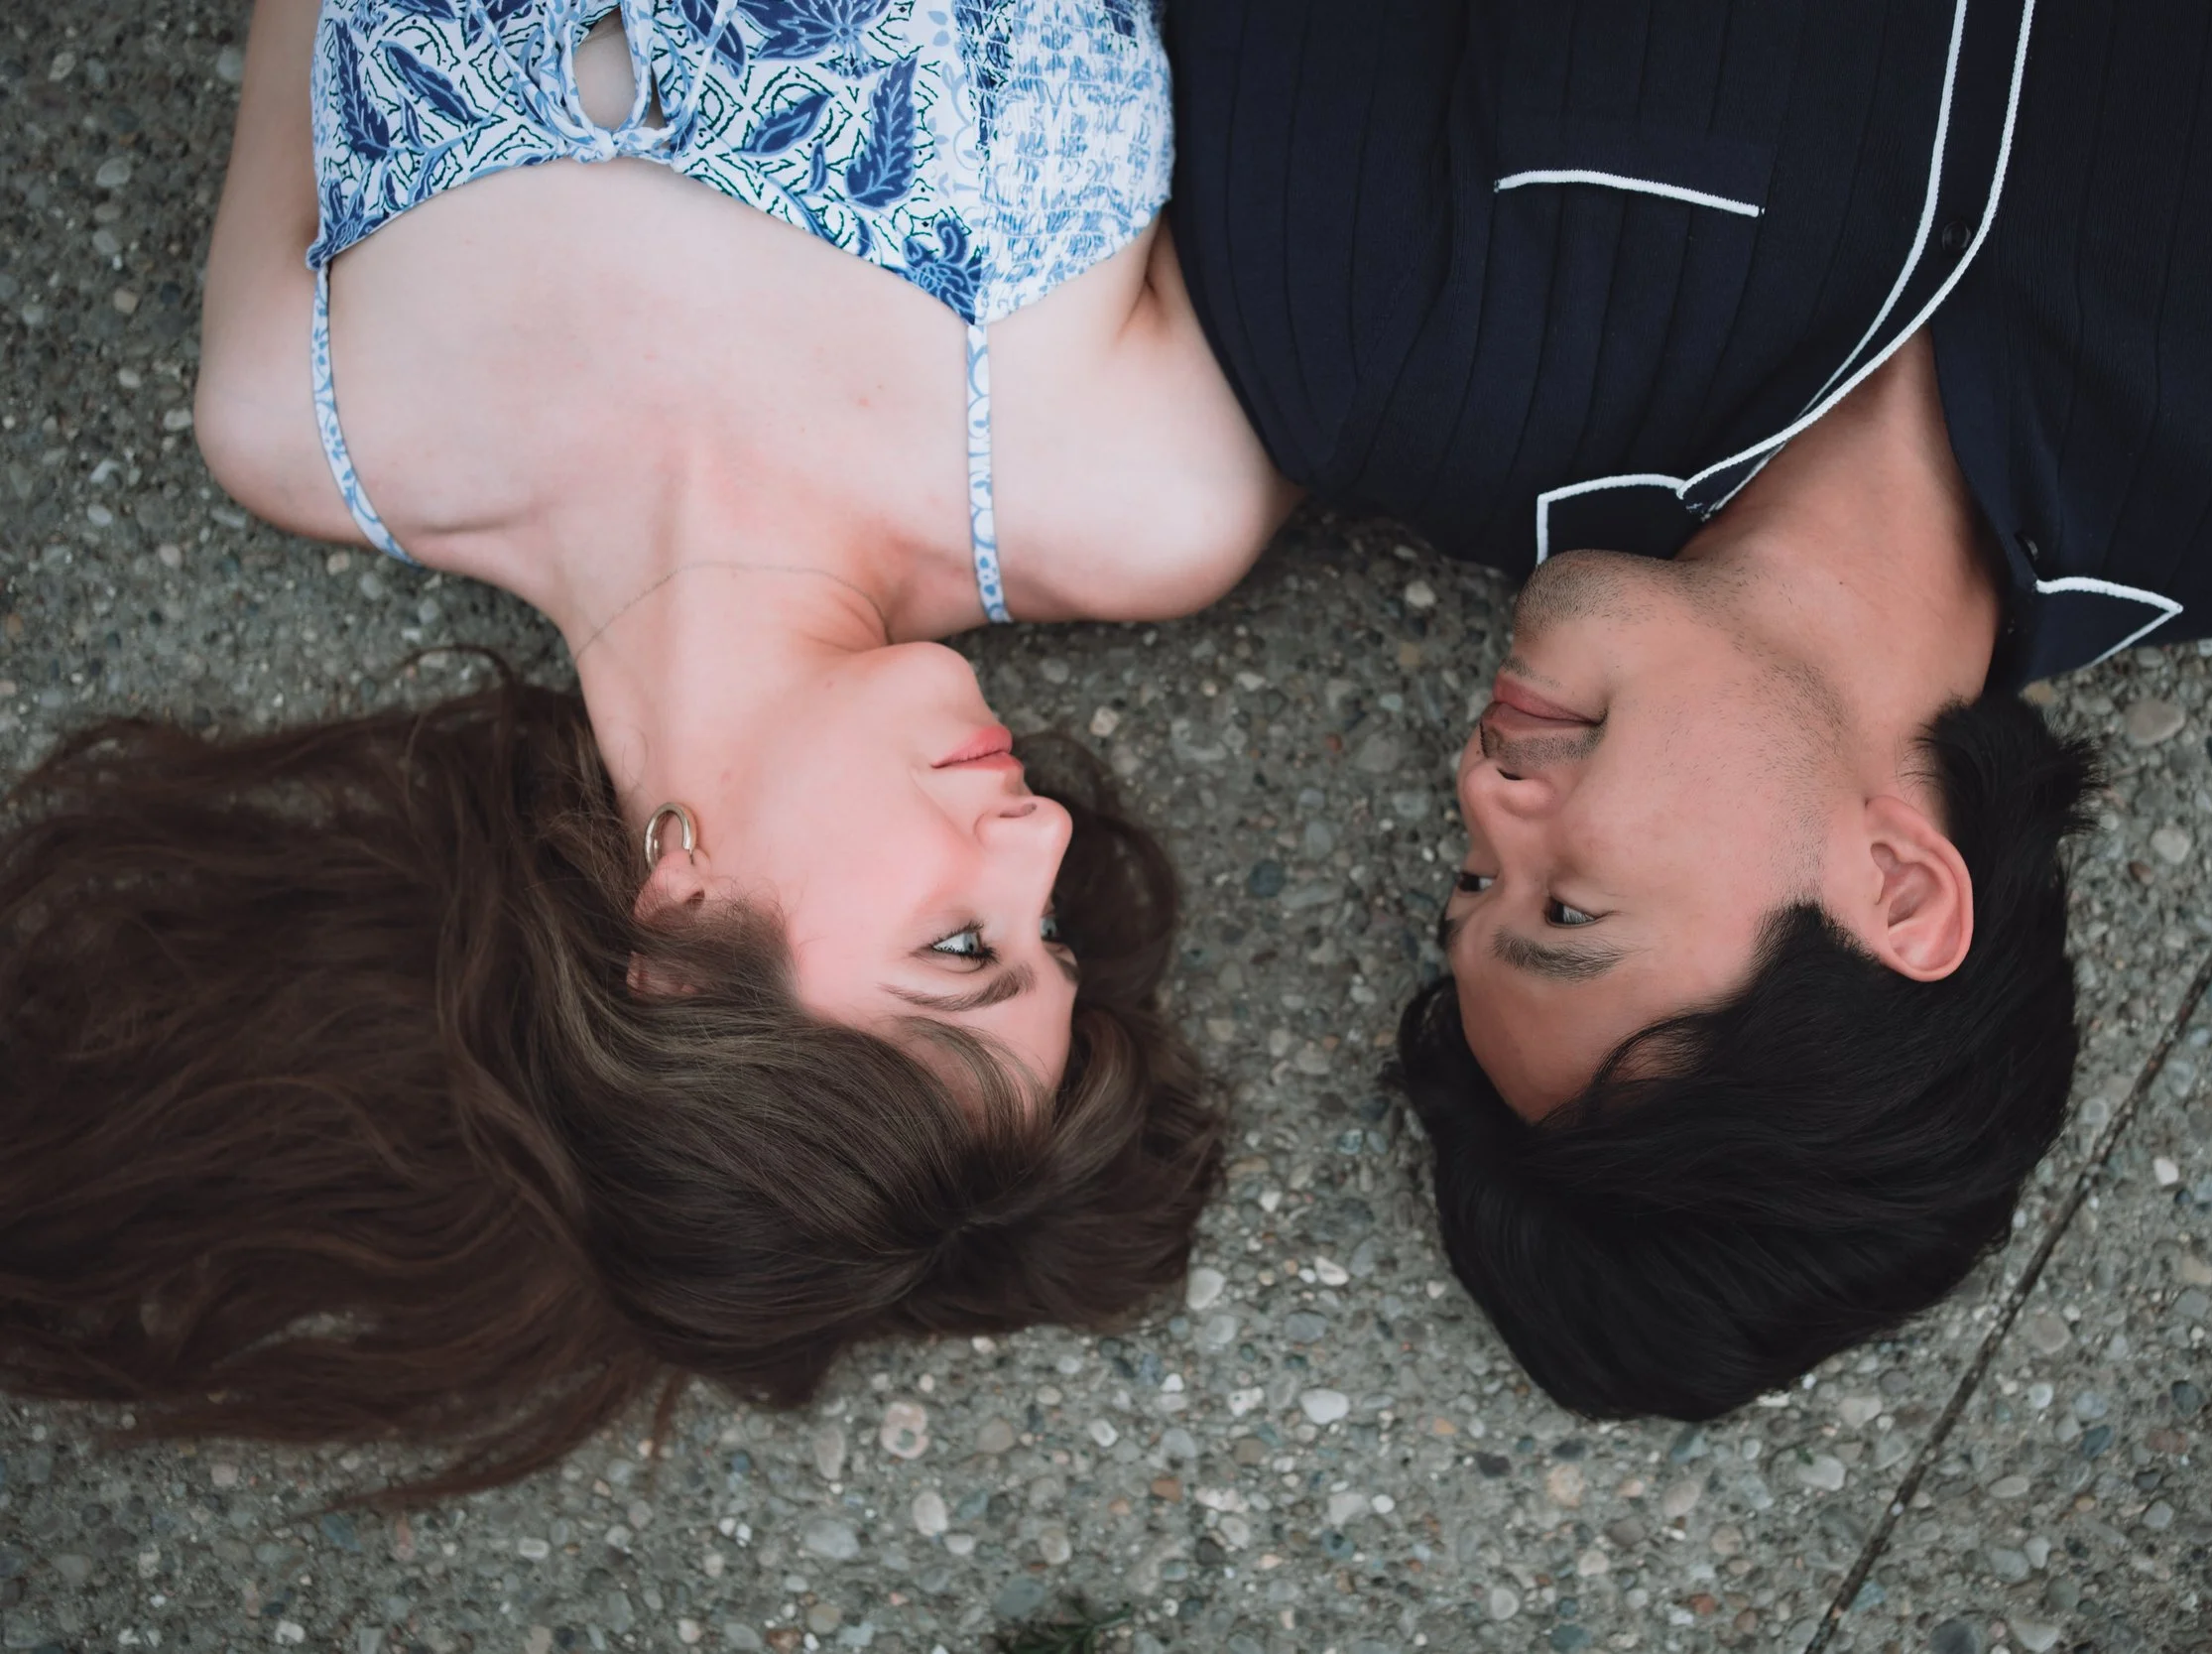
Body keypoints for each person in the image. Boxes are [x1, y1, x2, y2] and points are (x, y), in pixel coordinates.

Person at [0, 0, 1295, 1493]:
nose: (1044, 836)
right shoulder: (1141, 497)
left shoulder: (300, 418)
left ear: (678, 944)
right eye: (1046, 931)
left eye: (959, 946)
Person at [1165, 0, 2212, 1415]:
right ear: (1898, 889)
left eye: (1473, 879)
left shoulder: (1382, 342)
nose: (1482, 788)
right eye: (1567, 909)